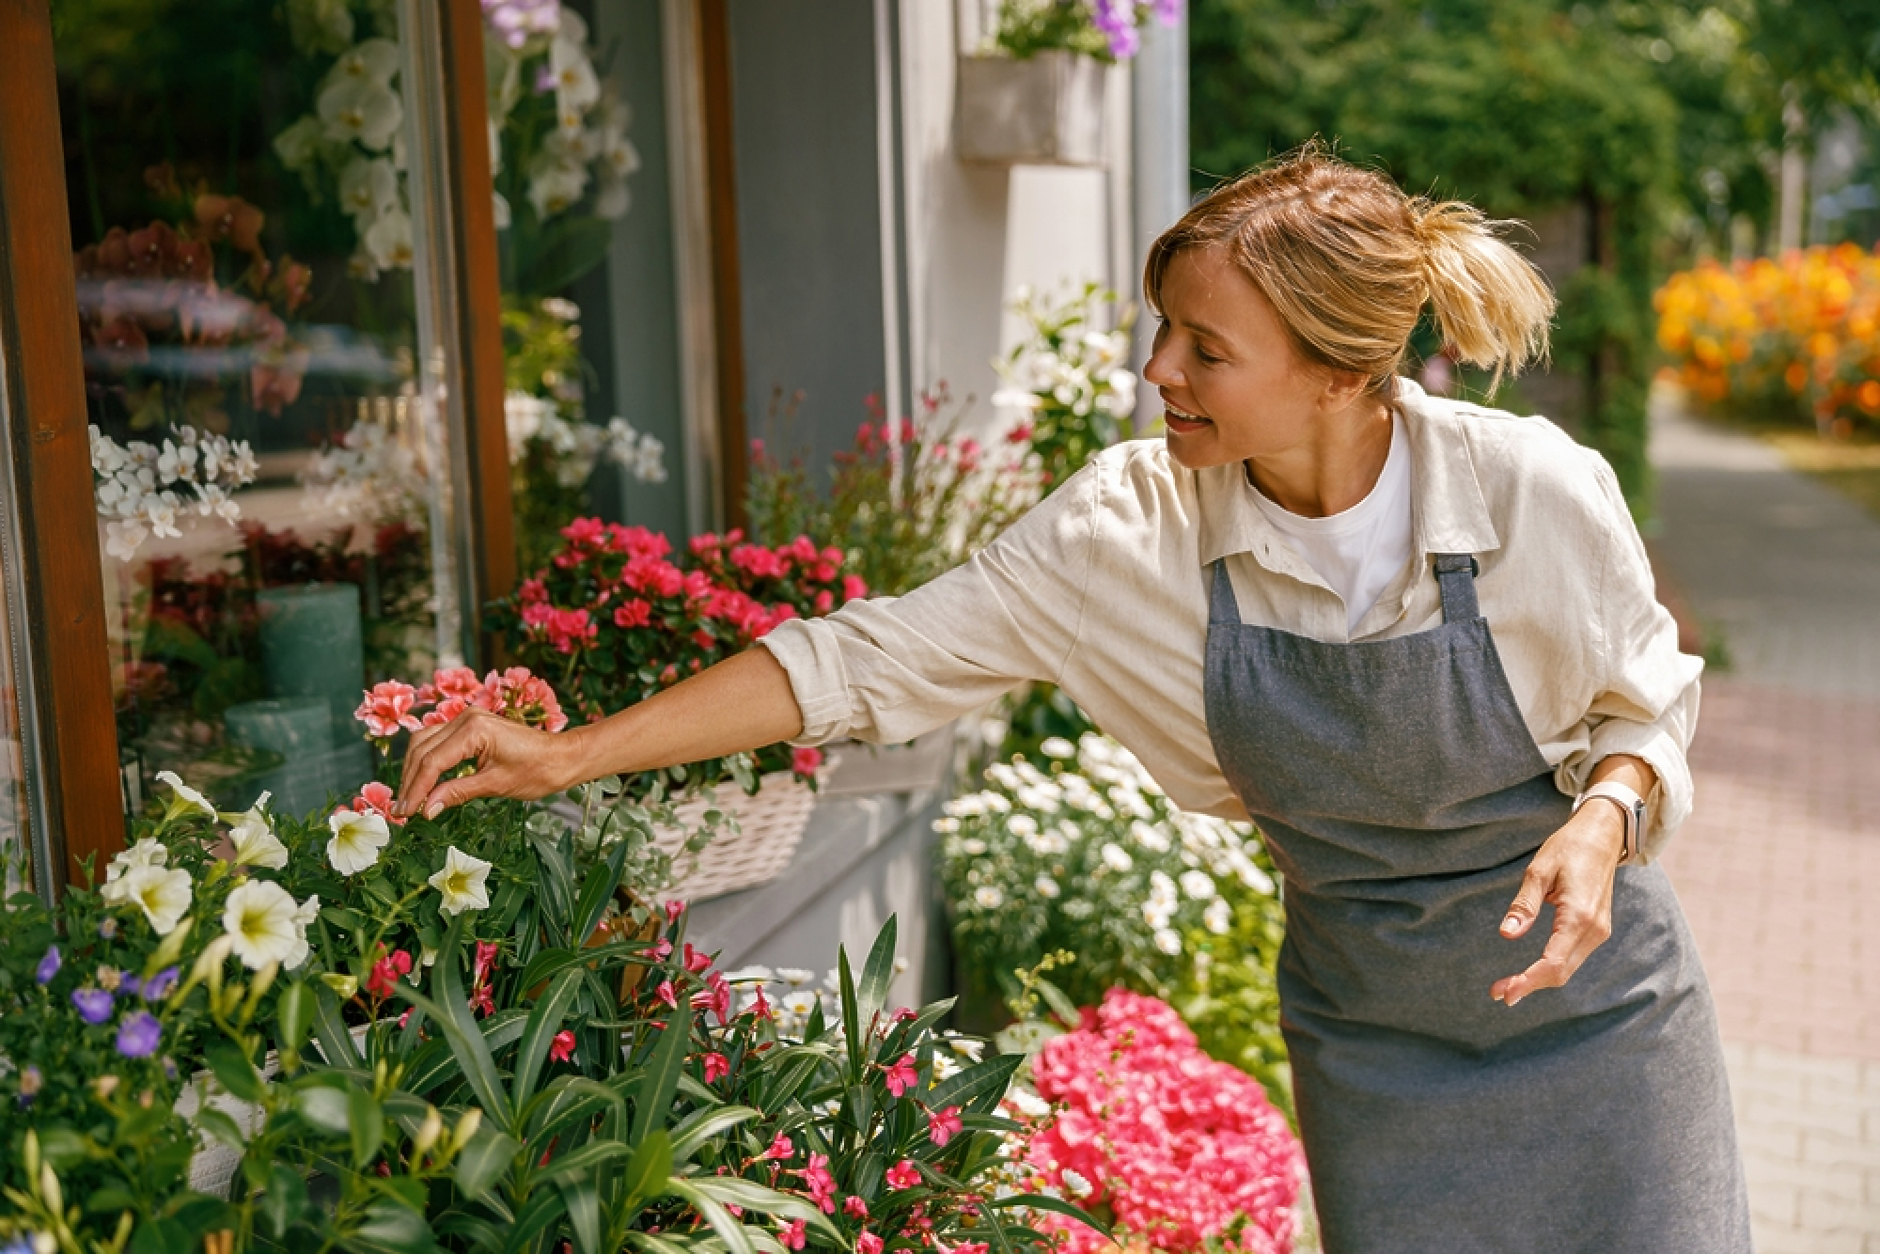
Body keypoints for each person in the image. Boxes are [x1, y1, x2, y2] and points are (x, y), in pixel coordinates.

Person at [395, 145, 1750, 1252]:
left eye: (1206, 349)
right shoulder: (1128, 534)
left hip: (1603, 1038)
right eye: (1163, 327)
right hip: (1376, 1050)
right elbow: (860, 661)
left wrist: (1607, 814)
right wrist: (576, 755)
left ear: (1340, 372)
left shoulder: (1528, 492)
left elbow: (1642, 706)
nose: (1159, 369)